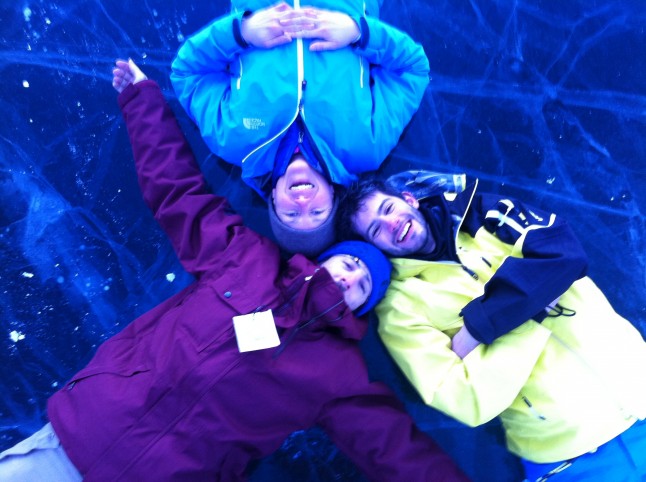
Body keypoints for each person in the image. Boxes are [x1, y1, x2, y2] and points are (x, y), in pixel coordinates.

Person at [0, 64, 469, 482]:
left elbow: (398, 453)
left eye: (361, 287)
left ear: (361, 309)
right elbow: (178, 192)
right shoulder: (246, 259)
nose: (348, 280)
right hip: (72, 440)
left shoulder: (339, 373)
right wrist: (143, 101)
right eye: (350, 265)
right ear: (327, 257)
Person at [337, 171, 646, 481]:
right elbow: (464, 398)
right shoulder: (400, 309)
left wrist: (475, 330)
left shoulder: (485, 214)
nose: (391, 224)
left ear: (408, 199)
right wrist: (529, 316)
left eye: (388, 209)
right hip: (569, 458)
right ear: (374, 246)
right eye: (376, 229)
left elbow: (563, 255)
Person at [170, 2, 430, 255]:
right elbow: (412, 70)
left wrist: (241, 32)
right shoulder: (368, 146)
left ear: (273, 199)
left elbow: (188, 73)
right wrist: (360, 32)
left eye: (291, 215)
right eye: (318, 213)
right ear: (332, 195)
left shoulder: (232, 141)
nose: (303, 204)